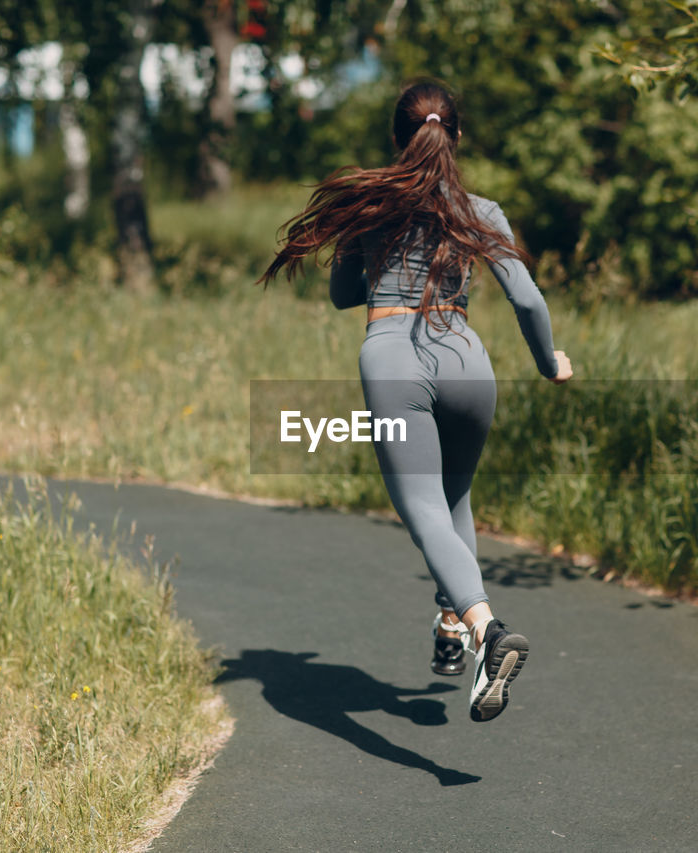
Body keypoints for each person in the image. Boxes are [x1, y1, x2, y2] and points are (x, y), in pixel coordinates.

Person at [260, 80, 572, 722]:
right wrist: (550, 363)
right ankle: (452, 623)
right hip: (467, 360)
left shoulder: (369, 205)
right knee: (454, 500)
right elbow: (529, 301)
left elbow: (346, 296)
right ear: (456, 137)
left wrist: (365, 247)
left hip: (393, 357)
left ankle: (486, 630)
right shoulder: (482, 210)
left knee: (424, 507)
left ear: (397, 138)